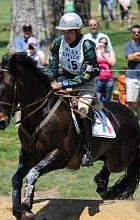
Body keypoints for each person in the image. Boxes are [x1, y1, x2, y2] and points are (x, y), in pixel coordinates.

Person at [45, 12, 100, 166]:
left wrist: (63, 85)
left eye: (69, 31)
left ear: (77, 31)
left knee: (82, 110)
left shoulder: (87, 45)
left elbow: (85, 75)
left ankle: (87, 150)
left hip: (85, 83)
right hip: (64, 79)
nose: (66, 35)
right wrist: (46, 79)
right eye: (63, 31)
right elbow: (52, 69)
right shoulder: (57, 44)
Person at [96, 36, 116, 101]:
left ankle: (106, 111)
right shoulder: (96, 52)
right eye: (101, 43)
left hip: (109, 79)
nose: (103, 45)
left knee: (107, 99)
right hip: (98, 79)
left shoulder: (110, 53)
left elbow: (113, 63)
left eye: (105, 43)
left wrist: (104, 54)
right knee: (97, 98)